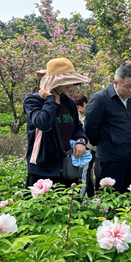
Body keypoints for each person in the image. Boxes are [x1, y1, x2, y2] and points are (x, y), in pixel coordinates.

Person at [24, 58, 90, 187]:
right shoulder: (33, 101)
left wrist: (81, 141)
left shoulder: (68, 102)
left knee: (68, 205)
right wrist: (50, 99)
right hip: (43, 167)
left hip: (67, 165)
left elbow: (77, 127)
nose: (69, 84)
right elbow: (43, 123)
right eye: (65, 80)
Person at [84, 65, 131, 193]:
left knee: (127, 196)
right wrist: (105, 142)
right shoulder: (100, 99)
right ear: (115, 83)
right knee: (108, 196)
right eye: (128, 86)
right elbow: (90, 127)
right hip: (110, 157)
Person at [72, 94, 97, 197]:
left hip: (91, 147)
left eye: (78, 108)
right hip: (89, 148)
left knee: (85, 173)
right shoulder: (84, 117)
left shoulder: (92, 116)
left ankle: (82, 198)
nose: (78, 111)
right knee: (86, 173)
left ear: (84, 104)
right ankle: (90, 195)